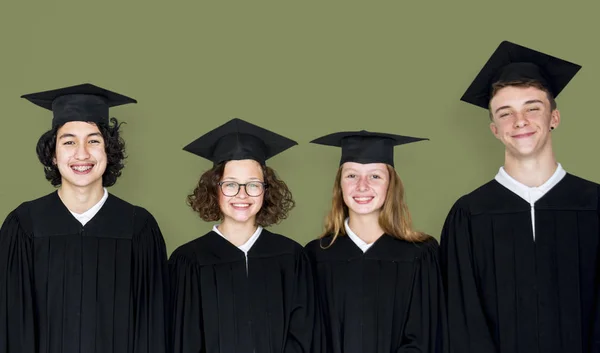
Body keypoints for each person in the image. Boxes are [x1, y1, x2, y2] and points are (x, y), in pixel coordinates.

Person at [441, 40, 600, 353]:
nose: (520, 121)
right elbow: (461, 320)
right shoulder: (469, 215)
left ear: (554, 117)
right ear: (495, 130)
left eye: (532, 108)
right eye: (505, 113)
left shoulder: (594, 204)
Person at [0, 83, 169, 353]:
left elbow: (153, 329)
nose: (82, 153)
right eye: (68, 142)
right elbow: (10, 325)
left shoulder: (138, 227)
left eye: (93, 140)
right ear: (53, 155)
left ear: (108, 151)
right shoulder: (24, 225)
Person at [169, 118, 316, 353]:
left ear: (266, 191)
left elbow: (304, 335)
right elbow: (183, 340)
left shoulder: (291, 257)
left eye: (253, 185)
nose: (242, 194)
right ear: (214, 189)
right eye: (230, 184)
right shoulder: (188, 261)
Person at [305, 130, 447, 353]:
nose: (362, 186)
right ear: (339, 185)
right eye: (351, 175)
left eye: (375, 176)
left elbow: (426, 336)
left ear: (390, 185)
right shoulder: (316, 256)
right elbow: (311, 337)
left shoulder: (421, 254)